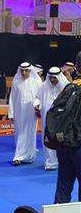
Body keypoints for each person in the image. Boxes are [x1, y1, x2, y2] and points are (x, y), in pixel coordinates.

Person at [54, 52, 81, 203]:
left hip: (63, 143)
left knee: (63, 185)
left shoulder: (69, 88)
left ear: (76, 68)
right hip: (78, 144)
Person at [34, 67, 68, 171]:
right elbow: (37, 97)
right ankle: (50, 162)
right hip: (47, 119)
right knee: (48, 139)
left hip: (62, 119)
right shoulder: (44, 86)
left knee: (61, 140)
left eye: (54, 78)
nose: (52, 80)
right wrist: (37, 104)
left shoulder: (66, 86)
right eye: (51, 77)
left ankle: (63, 162)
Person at [8, 62, 43, 166]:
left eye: (26, 70)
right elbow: (12, 98)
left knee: (30, 133)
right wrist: (11, 113)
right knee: (19, 133)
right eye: (22, 70)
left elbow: (39, 97)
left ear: (30, 70)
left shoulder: (37, 81)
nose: (23, 73)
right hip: (19, 112)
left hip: (31, 112)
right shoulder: (16, 81)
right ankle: (18, 156)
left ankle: (29, 156)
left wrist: (38, 107)